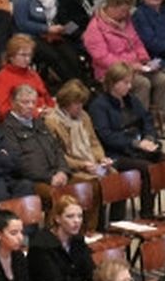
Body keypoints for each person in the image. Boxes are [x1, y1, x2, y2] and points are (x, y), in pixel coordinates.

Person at [88, 62, 165, 216]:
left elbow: (146, 120)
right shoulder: (99, 106)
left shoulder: (131, 100)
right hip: (117, 154)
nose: (129, 86)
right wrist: (137, 143)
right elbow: (106, 136)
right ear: (113, 83)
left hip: (140, 148)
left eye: (130, 82)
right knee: (148, 169)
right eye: (125, 82)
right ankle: (147, 214)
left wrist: (149, 137)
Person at [44, 79, 115, 229]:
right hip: (70, 168)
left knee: (115, 177)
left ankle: (113, 225)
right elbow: (57, 155)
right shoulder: (52, 122)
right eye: (76, 103)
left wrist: (101, 158)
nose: (80, 107)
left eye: (82, 103)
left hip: (90, 162)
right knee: (93, 185)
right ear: (66, 102)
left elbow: (93, 142)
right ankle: (91, 229)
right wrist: (82, 164)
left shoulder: (84, 116)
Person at [84, 0, 165, 119]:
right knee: (142, 84)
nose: (126, 14)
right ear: (111, 7)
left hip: (137, 67)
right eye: (123, 11)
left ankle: (158, 119)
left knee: (162, 79)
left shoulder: (127, 22)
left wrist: (145, 59)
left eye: (127, 10)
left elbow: (137, 42)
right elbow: (102, 58)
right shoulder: (94, 28)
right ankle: (140, 121)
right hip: (111, 73)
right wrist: (130, 66)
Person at [1, 84, 74, 203]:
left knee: (88, 188)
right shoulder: (7, 129)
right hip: (35, 181)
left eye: (33, 102)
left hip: (57, 175)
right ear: (13, 103)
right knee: (61, 198)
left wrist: (63, 171)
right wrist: (49, 178)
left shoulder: (39, 123)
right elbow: (20, 163)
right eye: (25, 102)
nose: (30, 106)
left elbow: (57, 149)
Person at [28, 195, 96, 281]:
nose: (77, 221)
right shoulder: (41, 245)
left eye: (80, 216)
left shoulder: (78, 240)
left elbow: (90, 272)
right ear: (57, 218)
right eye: (70, 216)